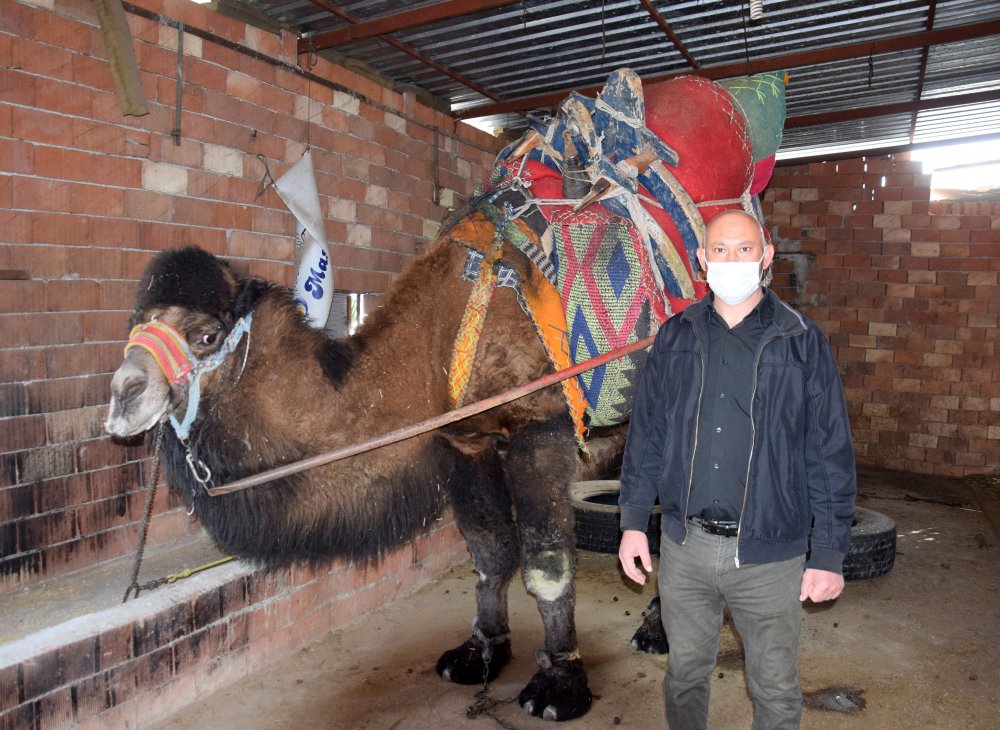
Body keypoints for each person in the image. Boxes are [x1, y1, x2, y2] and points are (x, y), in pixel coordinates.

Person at [617, 209, 857, 729]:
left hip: (770, 555)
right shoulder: (674, 336)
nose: (732, 260)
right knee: (683, 675)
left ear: (766, 257)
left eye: (745, 249)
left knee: (774, 690)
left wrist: (830, 553)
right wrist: (634, 523)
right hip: (685, 548)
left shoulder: (800, 340)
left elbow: (829, 453)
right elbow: (648, 435)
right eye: (720, 250)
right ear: (702, 260)